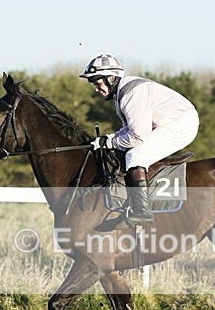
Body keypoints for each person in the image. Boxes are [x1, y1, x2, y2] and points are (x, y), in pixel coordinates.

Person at [79, 54, 199, 230]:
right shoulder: (123, 93)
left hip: (181, 124)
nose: (96, 88)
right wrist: (109, 139)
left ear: (111, 78)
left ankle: (141, 211)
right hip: (171, 121)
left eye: (97, 83)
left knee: (135, 156)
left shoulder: (130, 95)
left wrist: (109, 144)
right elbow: (129, 129)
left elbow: (138, 137)